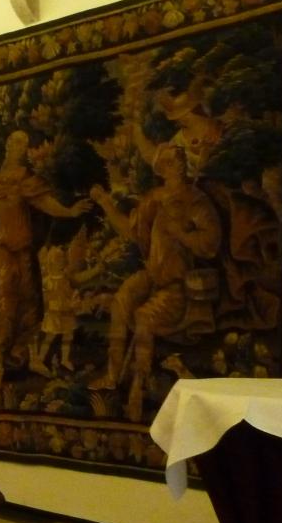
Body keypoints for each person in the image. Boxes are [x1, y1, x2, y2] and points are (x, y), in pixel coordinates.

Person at [89, 142, 222, 421]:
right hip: (152, 276)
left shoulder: (194, 200)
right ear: (161, 168)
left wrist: (181, 234)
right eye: (170, 162)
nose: (177, 165)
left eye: (180, 159)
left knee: (144, 317)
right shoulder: (154, 199)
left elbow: (211, 243)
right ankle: (112, 375)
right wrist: (105, 203)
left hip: (177, 282)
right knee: (121, 301)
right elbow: (130, 231)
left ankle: (139, 384)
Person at [0, 131, 91, 391]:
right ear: (8, 145)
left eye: (23, 143)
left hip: (23, 252)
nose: (19, 147)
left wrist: (69, 212)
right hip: (2, 252)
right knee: (4, 302)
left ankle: (16, 355)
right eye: (15, 142)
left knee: (28, 305)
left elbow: (45, 203)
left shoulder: (25, 179)